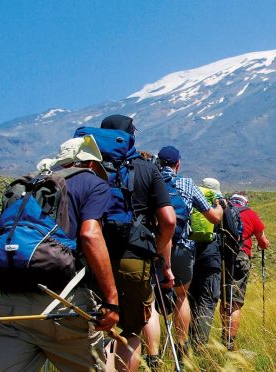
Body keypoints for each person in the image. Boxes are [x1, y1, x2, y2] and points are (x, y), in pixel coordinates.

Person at [0, 136, 120, 371]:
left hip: (11, 305)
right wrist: (112, 301)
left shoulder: (32, 185)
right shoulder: (92, 182)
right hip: (64, 305)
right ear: (90, 163)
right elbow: (90, 235)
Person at [106, 122, 177, 372]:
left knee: (98, 328)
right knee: (132, 329)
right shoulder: (147, 169)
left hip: (94, 259)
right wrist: (155, 250)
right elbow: (168, 221)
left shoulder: (90, 168)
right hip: (134, 256)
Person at [156, 145, 223, 359]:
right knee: (181, 296)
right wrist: (220, 207)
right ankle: (181, 348)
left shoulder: (151, 181)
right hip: (182, 248)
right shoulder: (187, 184)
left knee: (150, 300)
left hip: (155, 248)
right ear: (178, 164)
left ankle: (152, 353)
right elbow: (213, 217)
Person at [218, 193, 271, 351]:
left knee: (225, 299)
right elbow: (263, 243)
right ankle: (230, 343)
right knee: (235, 303)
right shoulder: (250, 214)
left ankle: (223, 335)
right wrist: (264, 244)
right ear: (245, 202)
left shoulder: (223, 209)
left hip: (222, 258)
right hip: (241, 257)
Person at [187, 177, 224, 350]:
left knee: (189, 300)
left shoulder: (191, 199)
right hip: (211, 259)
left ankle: (183, 343)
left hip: (190, 256)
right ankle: (199, 346)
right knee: (207, 301)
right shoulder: (220, 206)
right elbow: (232, 233)